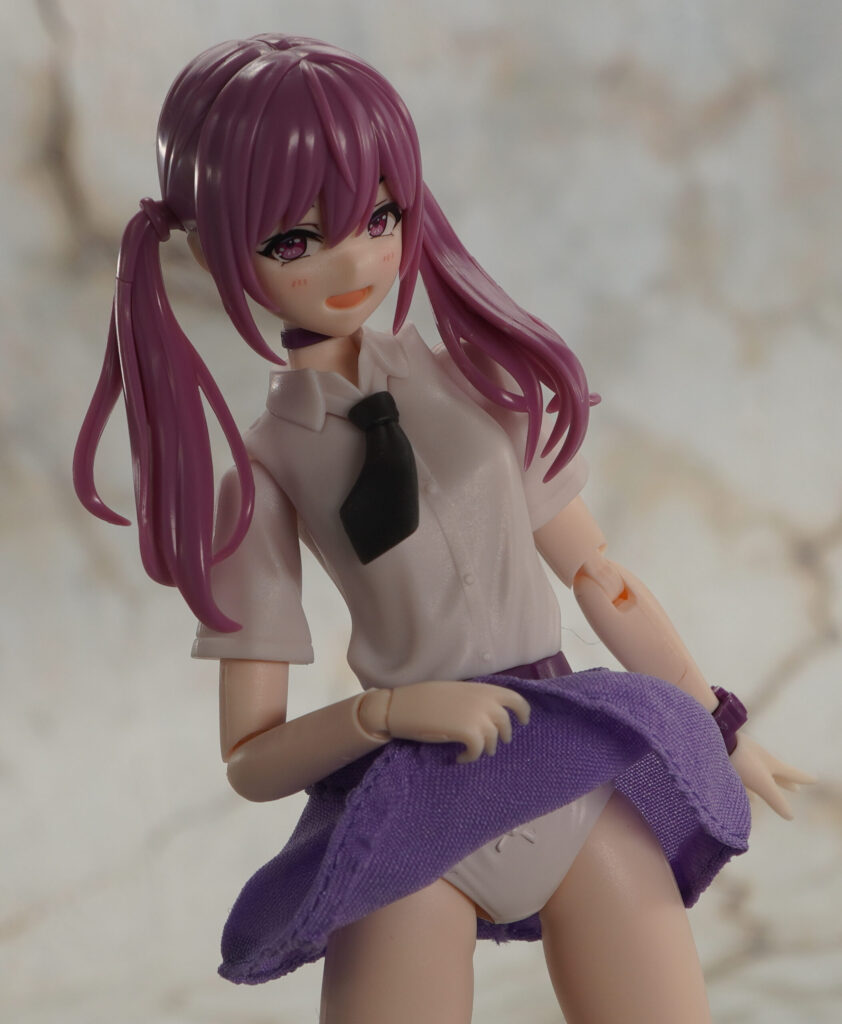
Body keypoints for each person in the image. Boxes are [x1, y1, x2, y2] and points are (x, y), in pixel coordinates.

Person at [73, 34, 810, 1024]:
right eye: (293, 241)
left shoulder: (477, 375)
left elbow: (597, 571)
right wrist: (387, 714)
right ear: (211, 251)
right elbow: (249, 754)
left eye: (379, 218)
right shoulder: (265, 467)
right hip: (415, 817)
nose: (353, 260)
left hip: (566, 768)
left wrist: (719, 724)